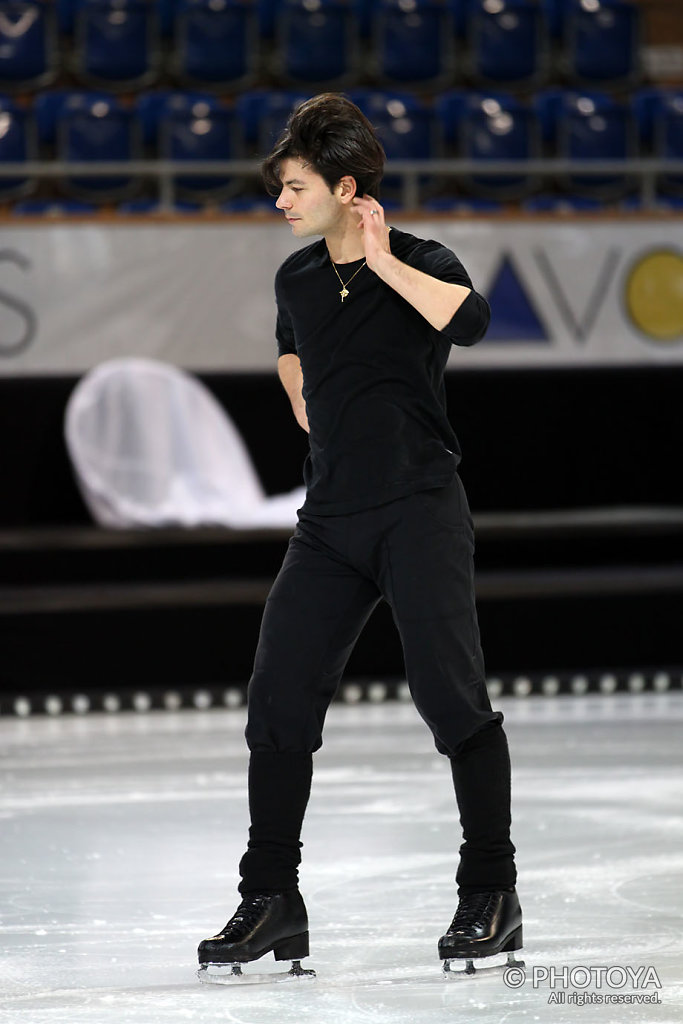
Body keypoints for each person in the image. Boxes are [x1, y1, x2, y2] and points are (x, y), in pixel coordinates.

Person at [198, 93, 521, 979]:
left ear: (347, 188)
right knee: (278, 704)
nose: (280, 201)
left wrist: (382, 261)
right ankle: (271, 900)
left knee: (452, 703)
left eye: (294, 186)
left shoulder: (419, 260)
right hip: (329, 521)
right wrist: (305, 393)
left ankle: (491, 892)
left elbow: (471, 322)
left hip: (419, 508)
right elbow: (289, 342)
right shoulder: (297, 277)